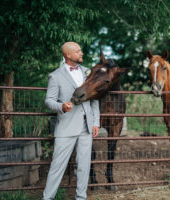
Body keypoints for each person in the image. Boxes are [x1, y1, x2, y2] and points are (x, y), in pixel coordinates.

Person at [42, 42, 100, 200]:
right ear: (68, 55)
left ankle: (81, 197)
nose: (82, 53)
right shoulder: (55, 76)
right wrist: (61, 106)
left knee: (84, 166)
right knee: (57, 166)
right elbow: (49, 101)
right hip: (66, 127)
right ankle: (47, 198)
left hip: (86, 127)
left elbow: (94, 99)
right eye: (78, 51)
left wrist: (95, 123)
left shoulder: (89, 73)